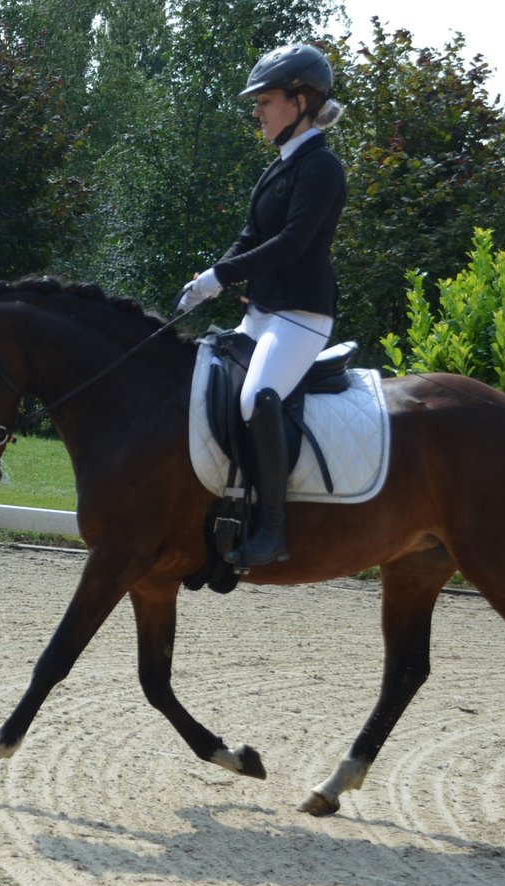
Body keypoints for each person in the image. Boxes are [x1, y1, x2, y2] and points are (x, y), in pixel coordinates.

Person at [177, 43, 346, 569]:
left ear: (300, 102)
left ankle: (273, 529)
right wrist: (207, 280)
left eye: (266, 100)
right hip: (261, 313)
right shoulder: (279, 168)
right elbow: (251, 236)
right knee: (207, 384)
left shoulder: (321, 168)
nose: (257, 111)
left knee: (258, 398)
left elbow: (293, 243)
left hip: (300, 316)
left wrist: (223, 275)